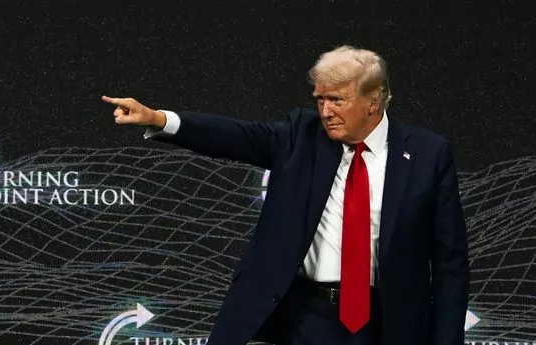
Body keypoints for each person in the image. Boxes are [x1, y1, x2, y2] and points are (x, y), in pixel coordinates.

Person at [102, 45, 469, 345]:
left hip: (388, 322)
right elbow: (234, 136)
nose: (325, 111)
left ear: (374, 101)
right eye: (320, 99)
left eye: (337, 100)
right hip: (305, 315)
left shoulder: (428, 154)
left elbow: (450, 262)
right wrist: (160, 119)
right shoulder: (300, 134)